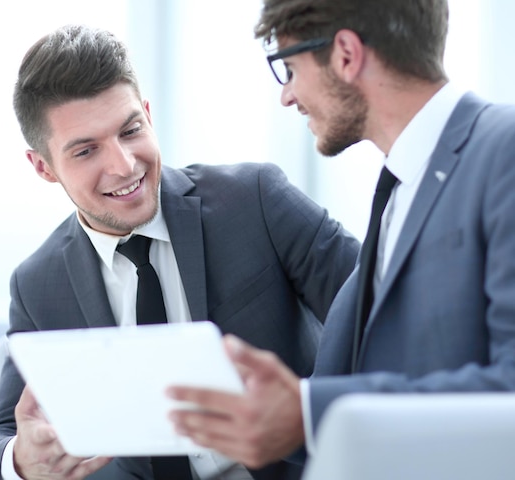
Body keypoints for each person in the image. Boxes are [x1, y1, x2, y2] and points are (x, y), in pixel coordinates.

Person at [0, 24, 360, 480]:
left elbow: (383, 314)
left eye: (130, 130)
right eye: (86, 151)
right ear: (43, 167)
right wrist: (19, 459)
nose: (123, 165)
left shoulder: (255, 200)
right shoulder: (39, 283)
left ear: (148, 116)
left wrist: (305, 412)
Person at [167, 0, 515, 472]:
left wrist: (310, 412)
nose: (286, 96)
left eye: (289, 69)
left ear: (346, 55)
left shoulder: (503, 151)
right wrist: (266, 413)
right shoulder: (398, 193)